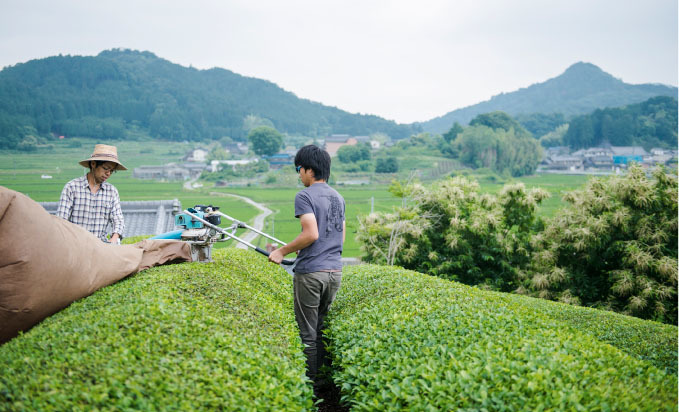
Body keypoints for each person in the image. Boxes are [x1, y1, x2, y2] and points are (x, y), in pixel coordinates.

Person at [268, 145, 346, 392]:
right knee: (321, 328)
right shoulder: (338, 197)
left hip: (311, 274)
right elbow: (338, 238)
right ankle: (325, 382)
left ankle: (309, 390)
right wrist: (305, 248)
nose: (299, 174)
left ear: (309, 169)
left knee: (307, 334)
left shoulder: (305, 196)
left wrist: (282, 251)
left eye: (298, 169)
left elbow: (311, 233)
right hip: (334, 273)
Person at [57, 144, 126, 243]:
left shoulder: (112, 191)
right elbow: (61, 221)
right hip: (75, 245)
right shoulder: (72, 187)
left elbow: (118, 220)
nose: (108, 173)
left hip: (100, 247)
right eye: (106, 168)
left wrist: (114, 239)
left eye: (112, 171)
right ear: (93, 164)